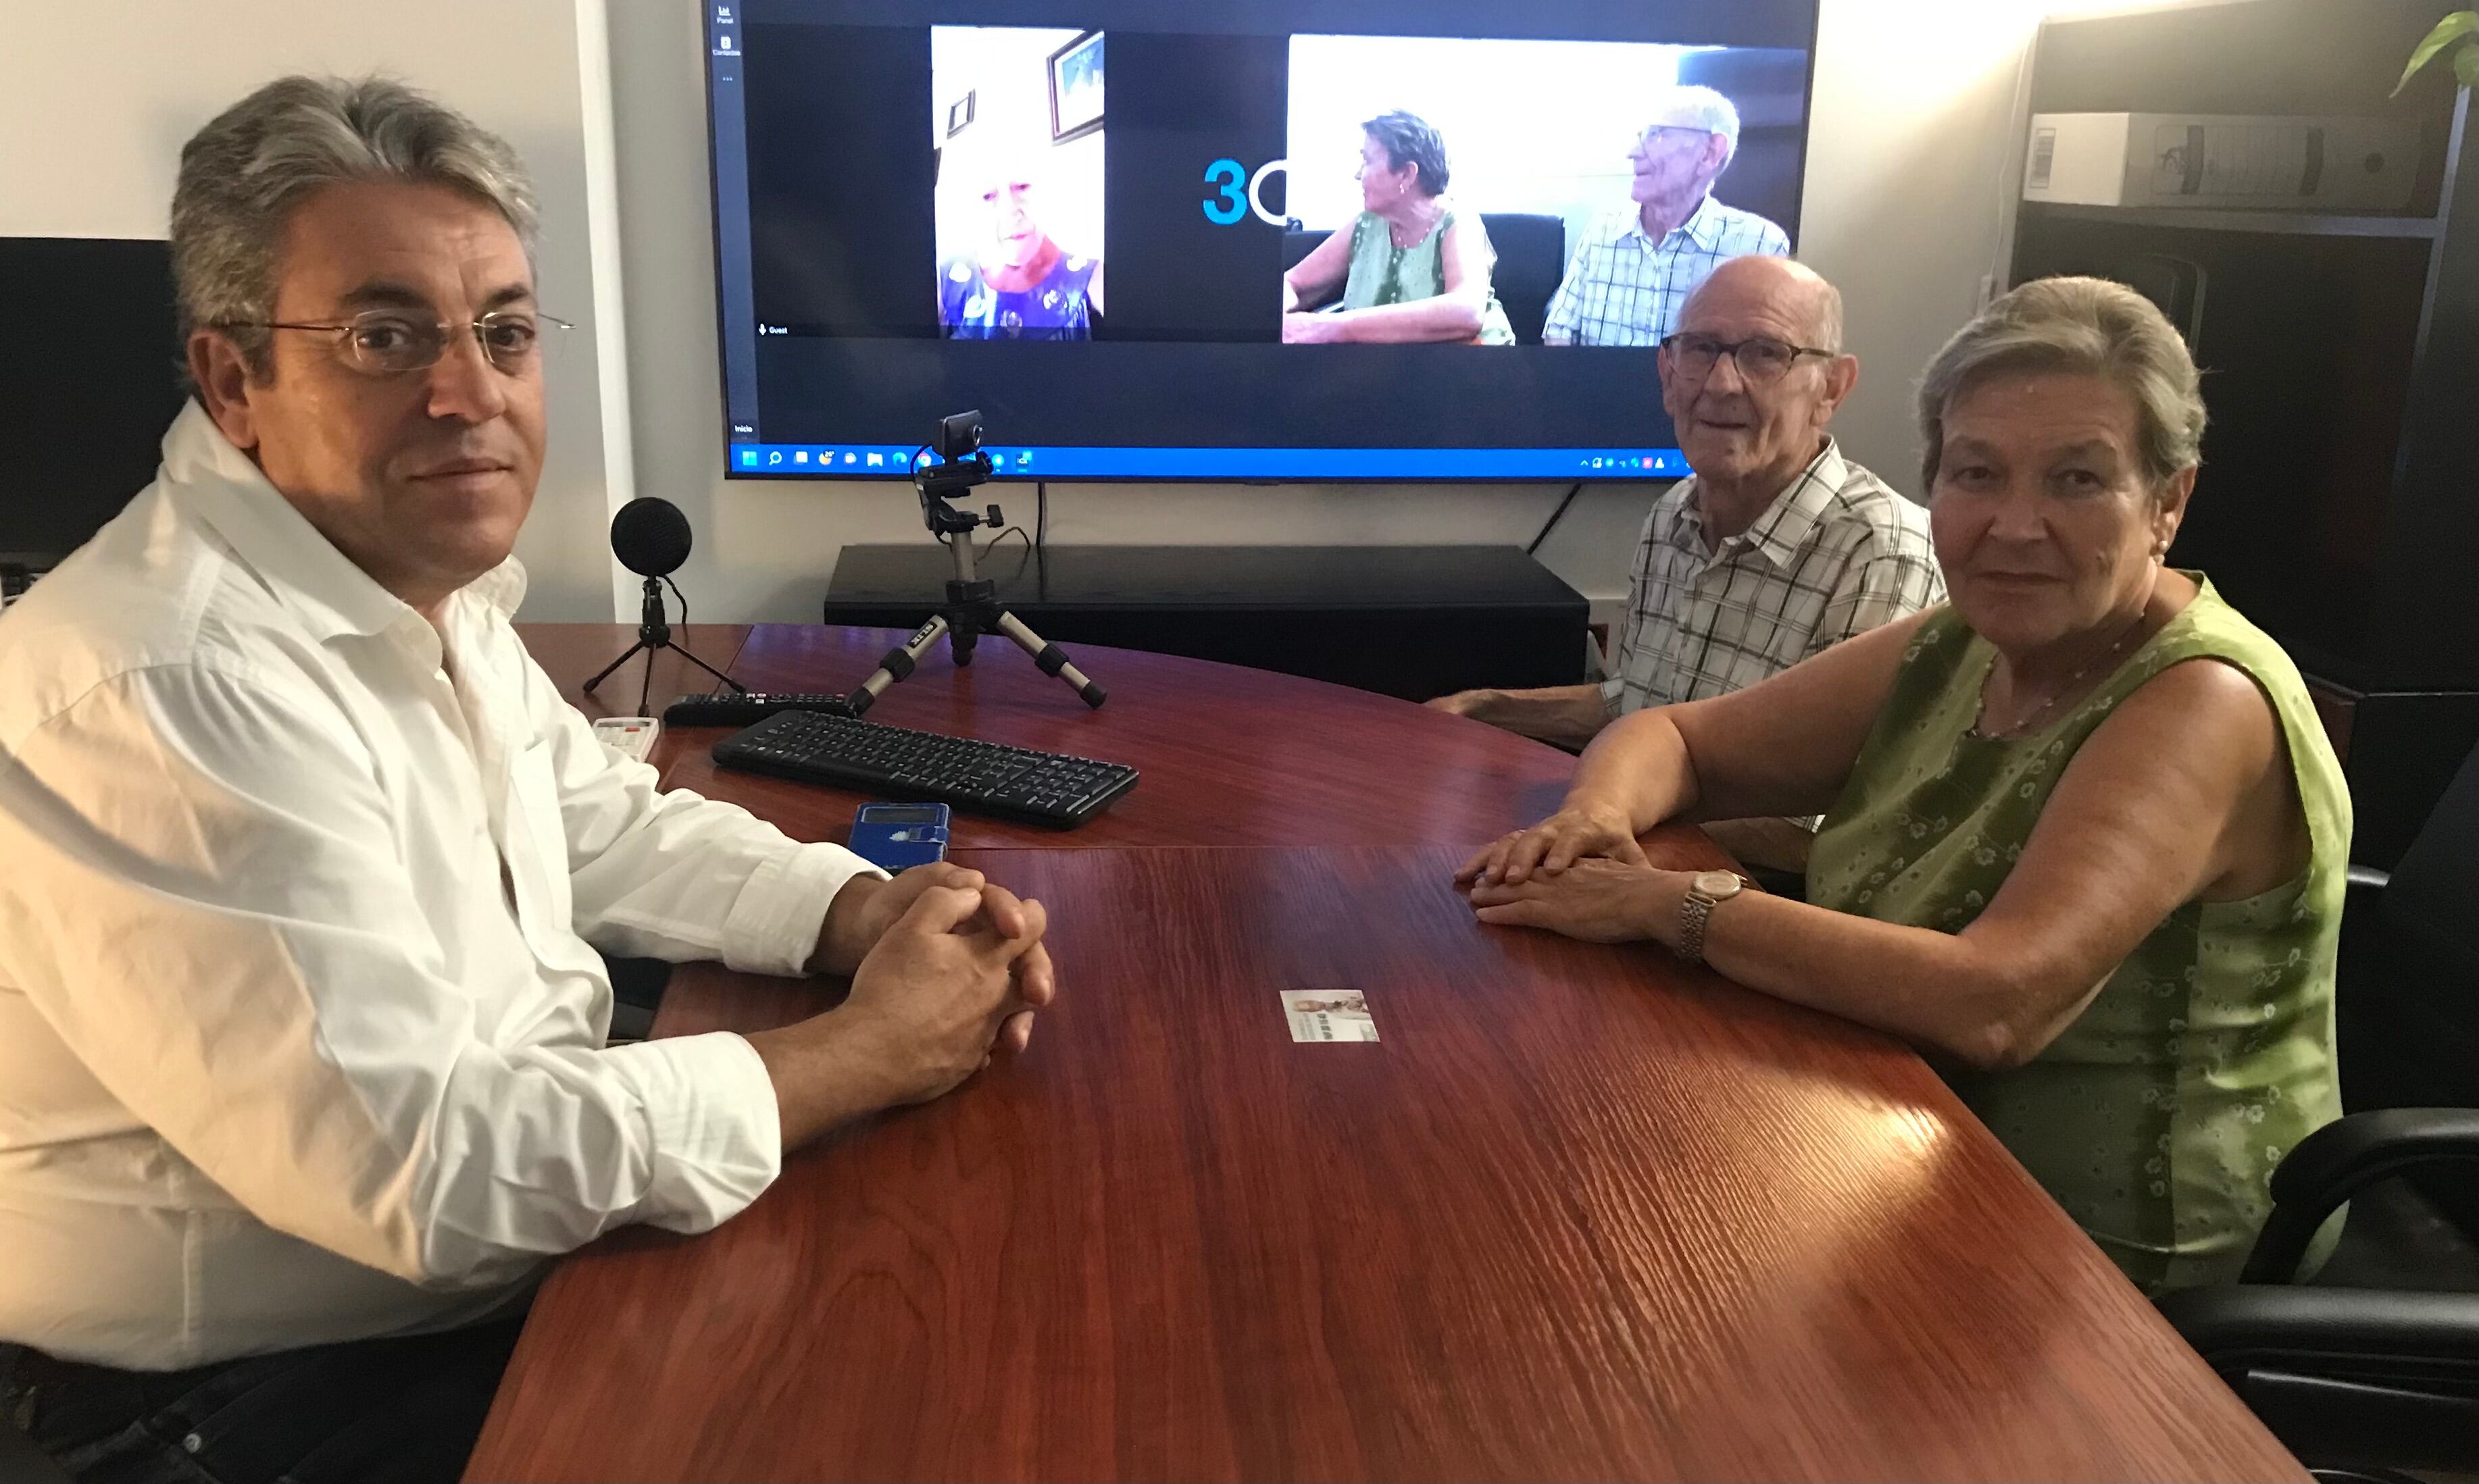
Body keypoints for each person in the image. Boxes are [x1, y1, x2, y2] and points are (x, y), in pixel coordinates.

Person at [0, 76, 1057, 1483]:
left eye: (502, 330)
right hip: (254, 1390)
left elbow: (596, 821)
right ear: (233, 379)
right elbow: (433, 1174)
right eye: (386, 335)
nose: (469, 391)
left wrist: (859, 910)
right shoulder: (168, 686)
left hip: (475, 1242)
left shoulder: (399, 583)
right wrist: (865, 1051)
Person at [1457, 276, 2349, 1292]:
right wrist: (1593, 822)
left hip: (2101, 1252)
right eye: (1977, 474)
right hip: (1894, 1124)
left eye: (2075, 480)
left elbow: (1996, 1005)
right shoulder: (1963, 639)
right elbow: (1678, 740)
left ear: (2167, 504)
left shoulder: (2203, 700)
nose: (2015, 525)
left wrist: (1669, 903)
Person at [1430, 256, 1941, 874]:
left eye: (1763, 354)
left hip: (1750, 917)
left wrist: (1601, 811)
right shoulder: (1672, 511)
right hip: (1631, 868)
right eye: (1700, 349)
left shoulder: (1881, 551)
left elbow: (1845, 835)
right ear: (1668, 374)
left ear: (1830, 387)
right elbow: (1637, 706)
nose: (1721, 384)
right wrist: (1483, 710)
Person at [1541, 86, 1790, 349]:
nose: (1633, 152)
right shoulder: (1603, 228)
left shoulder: (1759, 247)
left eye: (1656, 135)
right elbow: (1560, 329)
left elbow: (1764, 363)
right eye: (1641, 136)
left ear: (1710, 152)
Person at [1280, 109, 1516, 346]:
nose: (1358, 174)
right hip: (1390, 372)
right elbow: (1294, 284)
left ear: (1406, 174)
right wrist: (1270, 320)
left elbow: (1467, 312)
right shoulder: (1366, 224)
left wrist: (1328, 328)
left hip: (1473, 371)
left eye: (1368, 161)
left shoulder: (1459, 223)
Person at [938, 152, 1103, 339]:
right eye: (988, 196)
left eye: (1022, 187)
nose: (1009, 210)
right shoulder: (946, 278)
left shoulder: (1089, 275)